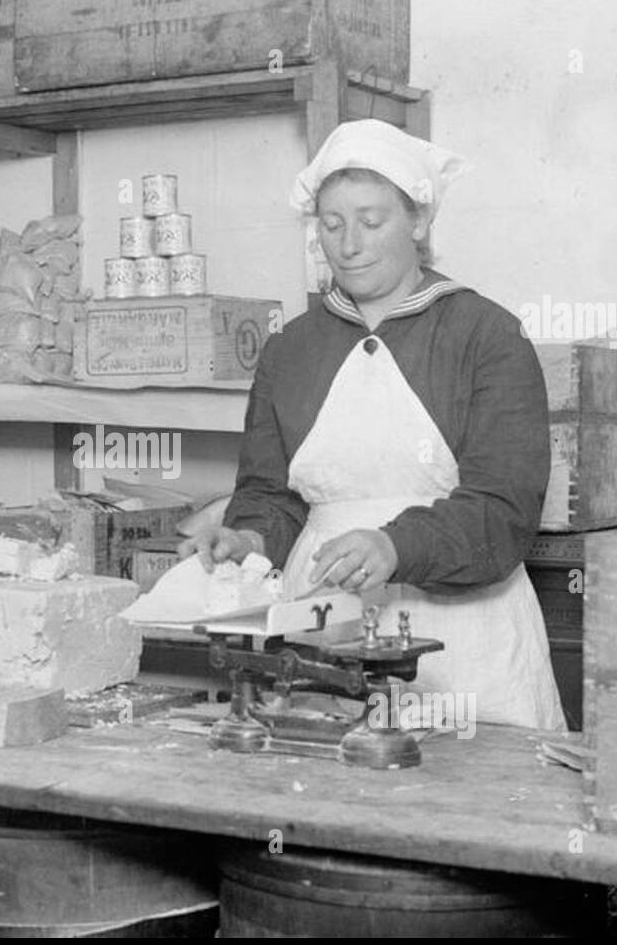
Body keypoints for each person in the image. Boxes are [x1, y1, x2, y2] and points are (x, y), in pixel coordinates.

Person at [182, 119, 565, 731]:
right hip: (322, 623)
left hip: (466, 635)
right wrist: (247, 542)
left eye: (371, 220)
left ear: (418, 222)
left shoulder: (486, 335)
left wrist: (393, 545)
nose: (349, 244)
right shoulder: (290, 351)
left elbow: (505, 508)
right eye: (332, 225)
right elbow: (270, 496)